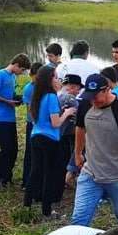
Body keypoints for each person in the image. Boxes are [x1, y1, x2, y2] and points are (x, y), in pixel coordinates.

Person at [68, 74, 118, 229]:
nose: (93, 100)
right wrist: (78, 153)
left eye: (96, 96)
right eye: (90, 96)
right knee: (79, 218)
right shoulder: (85, 104)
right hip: (90, 172)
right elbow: (80, 128)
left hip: (117, 175)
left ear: (107, 89)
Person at [25, 65, 73, 217]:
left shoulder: (37, 96)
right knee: (49, 175)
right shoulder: (52, 97)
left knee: (35, 171)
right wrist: (67, 113)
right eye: (56, 77)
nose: (59, 80)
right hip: (49, 139)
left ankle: (27, 204)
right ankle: (47, 210)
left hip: (35, 136)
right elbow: (56, 123)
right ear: (50, 79)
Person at [0, 53, 30, 188]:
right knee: (6, 149)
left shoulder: (12, 76)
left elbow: (9, 93)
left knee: (14, 149)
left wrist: (17, 99)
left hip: (10, 117)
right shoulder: (1, 74)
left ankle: (6, 176)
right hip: (0, 117)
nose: (21, 73)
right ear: (16, 65)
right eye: (21, 70)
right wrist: (6, 101)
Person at [56, 74, 83, 203]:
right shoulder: (70, 99)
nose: (78, 92)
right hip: (64, 133)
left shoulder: (56, 95)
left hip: (57, 133)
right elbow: (79, 119)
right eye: (78, 89)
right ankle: (69, 176)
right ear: (72, 87)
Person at [20, 61, 43, 190]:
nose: (34, 79)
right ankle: (26, 181)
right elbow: (30, 110)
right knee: (30, 153)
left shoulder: (43, 88)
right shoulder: (29, 88)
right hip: (33, 124)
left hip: (41, 124)